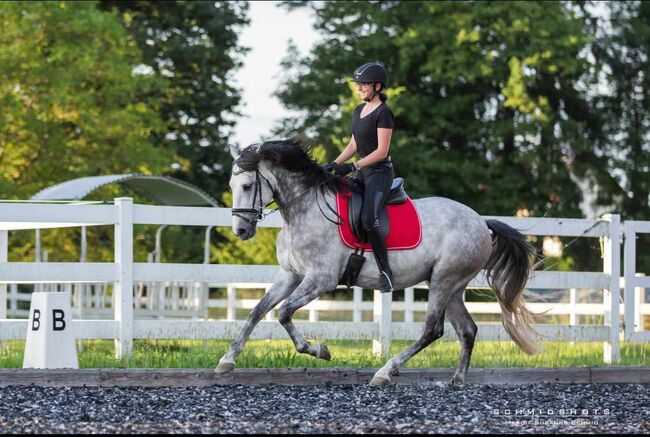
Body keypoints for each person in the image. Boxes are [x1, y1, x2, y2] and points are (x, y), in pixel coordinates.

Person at [324, 61, 395, 293]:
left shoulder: (384, 114)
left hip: (379, 173)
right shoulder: (358, 111)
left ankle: (385, 270)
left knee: (368, 217)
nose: (359, 88)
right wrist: (335, 163)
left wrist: (353, 165)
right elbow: (354, 143)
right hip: (362, 172)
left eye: (363, 84)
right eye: (358, 84)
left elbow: (381, 151)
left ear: (377, 86)